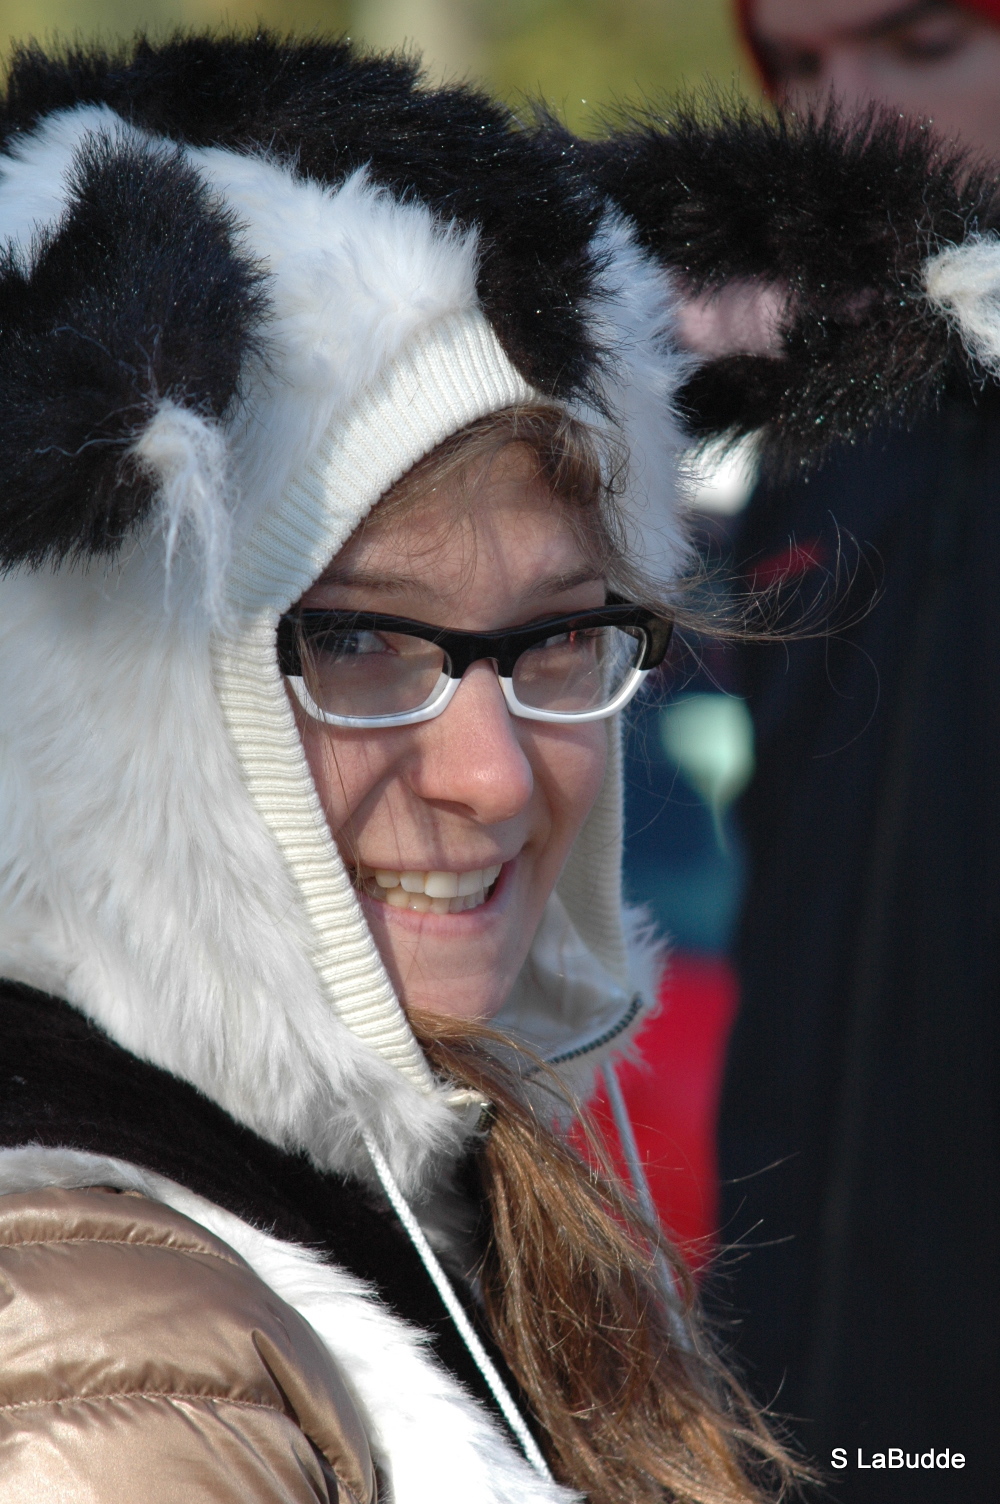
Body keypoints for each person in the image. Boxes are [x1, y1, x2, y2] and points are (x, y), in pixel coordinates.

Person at [1, 29, 998, 1504]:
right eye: (355, 645)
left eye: (557, 639)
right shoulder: (117, 1362)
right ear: (104, 709)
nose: (498, 778)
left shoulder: (456, 1225)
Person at [711, 3, 1000, 1497]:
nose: (847, 126)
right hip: (792, 1415)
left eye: (927, 40)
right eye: (800, 68)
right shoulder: (832, 431)